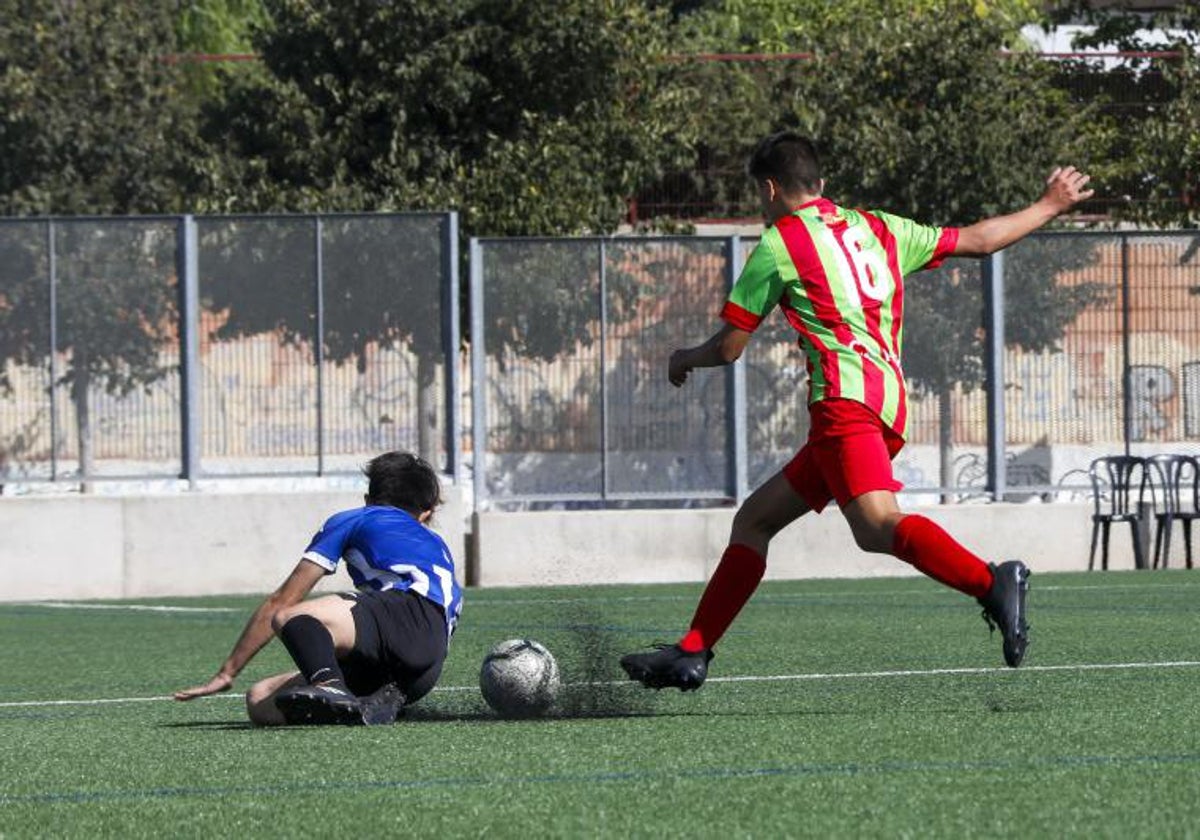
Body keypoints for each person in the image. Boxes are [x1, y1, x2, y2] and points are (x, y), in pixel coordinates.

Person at [620, 132, 1094, 691]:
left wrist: (684, 358)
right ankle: (692, 652)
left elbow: (729, 347)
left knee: (875, 527)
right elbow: (980, 240)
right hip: (885, 403)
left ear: (769, 189)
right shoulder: (880, 228)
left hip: (844, 405)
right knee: (755, 520)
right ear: (819, 184)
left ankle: (992, 581)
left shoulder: (778, 244)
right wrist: (1048, 205)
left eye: (759, 194)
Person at [174, 451, 463, 725]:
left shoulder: (355, 518)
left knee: (292, 616)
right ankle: (361, 706)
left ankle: (330, 685)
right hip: (421, 672)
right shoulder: (436, 544)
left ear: (367, 499)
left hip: (404, 622)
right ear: (426, 513)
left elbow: (282, 601)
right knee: (261, 700)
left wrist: (227, 672)